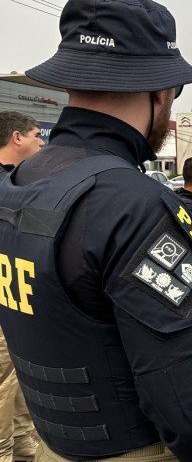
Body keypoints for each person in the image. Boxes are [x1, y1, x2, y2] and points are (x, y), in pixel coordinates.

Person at [0, 0, 192, 460]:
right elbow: (188, 395)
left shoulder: (21, 180)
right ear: (160, 92)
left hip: (57, 442)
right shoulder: (132, 203)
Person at [0, 111, 43, 461]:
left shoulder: (19, 182)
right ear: (16, 137)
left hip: (20, 294)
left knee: (19, 381)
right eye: (36, 135)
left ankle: (24, 448)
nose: (41, 142)